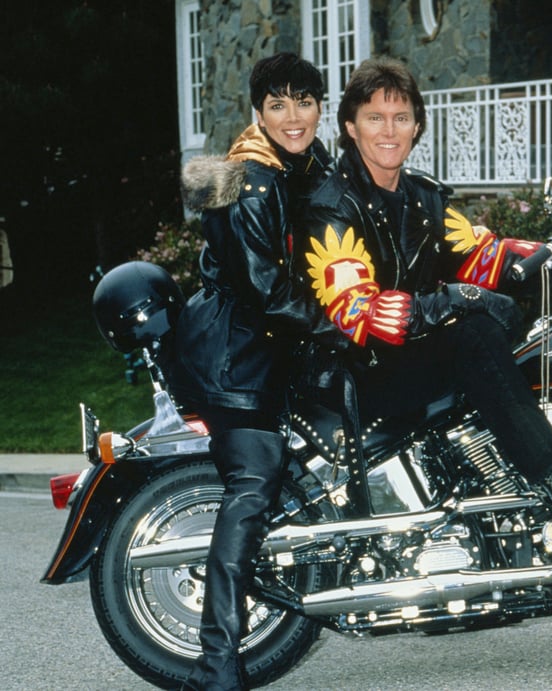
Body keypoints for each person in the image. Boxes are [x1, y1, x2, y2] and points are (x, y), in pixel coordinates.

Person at [302, 56, 552, 552]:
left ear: (417, 126)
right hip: (362, 370)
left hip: (407, 358)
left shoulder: (421, 198)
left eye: (401, 117)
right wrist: (451, 299)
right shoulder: (332, 207)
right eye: (375, 118)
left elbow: (486, 257)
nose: (389, 131)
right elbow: (357, 309)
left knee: (517, 325)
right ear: (350, 126)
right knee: (474, 333)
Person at [170, 52, 343, 690]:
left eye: (304, 101)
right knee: (254, 482)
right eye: (278, 104)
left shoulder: (306, 163)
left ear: (321, 106)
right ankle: (217, 665)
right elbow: (267, 289)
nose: (293, 116)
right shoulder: (253, 176)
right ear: (259, 112)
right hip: (234, 355)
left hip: (267, 344)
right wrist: (347, 327)